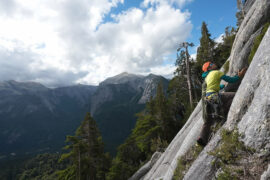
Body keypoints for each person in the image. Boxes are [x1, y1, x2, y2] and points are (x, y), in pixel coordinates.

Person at [197, 61, 247, 146]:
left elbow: (211, 86)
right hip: (215, 96)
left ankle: (201, 138)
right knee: (236, 95)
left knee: (208, 121)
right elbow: (231, 80)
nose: (214, 64)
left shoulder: (207, 76)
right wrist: (239, 76)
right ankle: (226, 113)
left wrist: (221, 87)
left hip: (207, 99)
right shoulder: (217, 72)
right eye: (211, 64)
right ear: (209, 68)